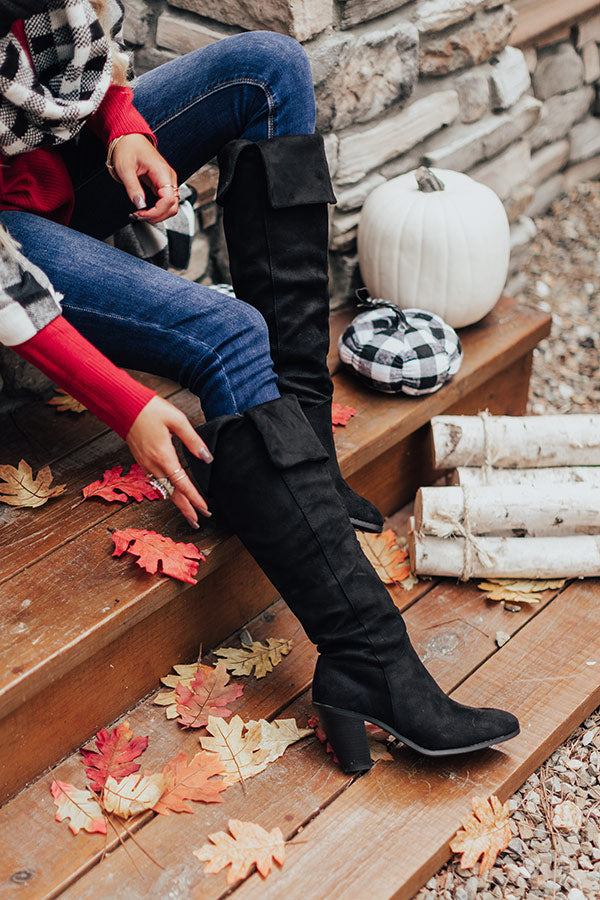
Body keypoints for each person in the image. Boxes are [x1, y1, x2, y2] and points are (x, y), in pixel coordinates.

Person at [0, 0, 519, 770]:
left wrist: (126, 126)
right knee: (231, 333)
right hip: (10, 235)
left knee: (271, 68)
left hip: (52, 168)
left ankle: (299, 447)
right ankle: (368, 662)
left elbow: (93, 44)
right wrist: (125, 401)